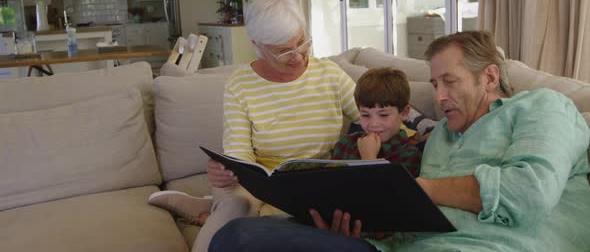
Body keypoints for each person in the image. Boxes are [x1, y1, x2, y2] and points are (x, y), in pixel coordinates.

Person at [208, 31, 590, 252]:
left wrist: (413, 187)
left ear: (489, 77)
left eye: (449, 81)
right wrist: (359, 222)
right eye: (435, 84)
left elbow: (530, 193)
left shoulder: (543, 107)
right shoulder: (440, 135)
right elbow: (410, 224)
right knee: (240, 236)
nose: (439, 96)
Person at [148, 0, 360, 252]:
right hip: (255, 184)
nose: (297, 56)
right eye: (284, 51)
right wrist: (227, 171)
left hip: (312, 184)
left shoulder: (330, 74)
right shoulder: (240, 85)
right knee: (238, 208)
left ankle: (204, 210)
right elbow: (240, 155)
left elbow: (374, 114)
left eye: (302, 43)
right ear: (257, 46)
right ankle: (217, 209)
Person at [330, 67, 422, 177]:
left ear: (404, 113)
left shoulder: (409, 156)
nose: (374, 124)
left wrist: (369, 159)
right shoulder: (344, 145)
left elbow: (381, 193)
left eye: (383, 115)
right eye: (365, 115)